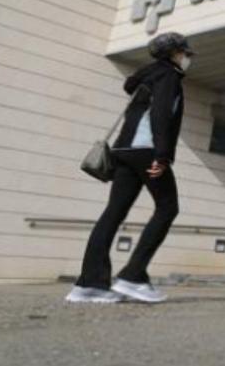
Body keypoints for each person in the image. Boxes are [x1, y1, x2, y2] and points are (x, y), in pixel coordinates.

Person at [65, 32, 193, 304]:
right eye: (185, 53)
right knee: (168, 207)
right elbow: (160, 115)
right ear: (174, 54)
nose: (187, 58)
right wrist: (163, 155)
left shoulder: (144, 77)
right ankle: (133, 276)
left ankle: (90, 284)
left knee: (113, 212)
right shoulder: (168, 76)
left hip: (123, 150)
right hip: (146, 150)